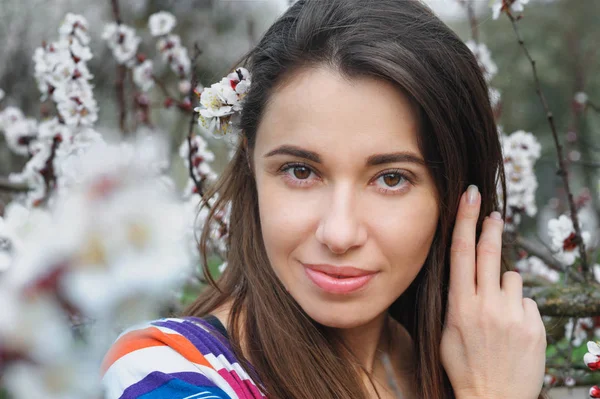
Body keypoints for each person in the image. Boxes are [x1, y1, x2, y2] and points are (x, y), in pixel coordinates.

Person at [101, 0, 548, 398]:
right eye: (300, 172)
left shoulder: (470, 360)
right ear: (251, 167)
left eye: (391, 178)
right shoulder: (166, 372)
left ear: (453, 197)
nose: (339, 233)